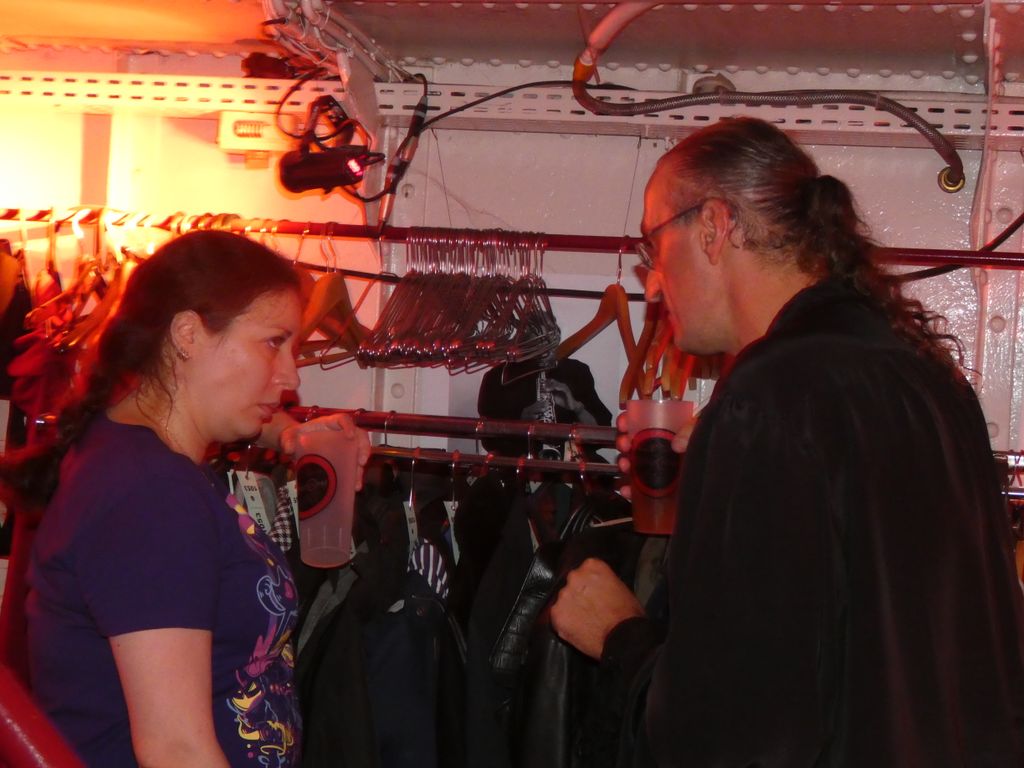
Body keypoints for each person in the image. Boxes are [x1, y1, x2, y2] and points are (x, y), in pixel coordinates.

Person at [550, 117, 1024, 765]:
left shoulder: (766, 399)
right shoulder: (933, 383)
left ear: (714, 226)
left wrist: (618, 635)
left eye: (652, 245)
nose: (652, 283)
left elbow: (733, 731)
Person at [0, 230, 370, 767]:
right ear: (188, 334)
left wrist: (290, 434)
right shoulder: (151, 498)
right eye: (274, 342)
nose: (291, 375)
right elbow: (175, 749)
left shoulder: (133, 449)